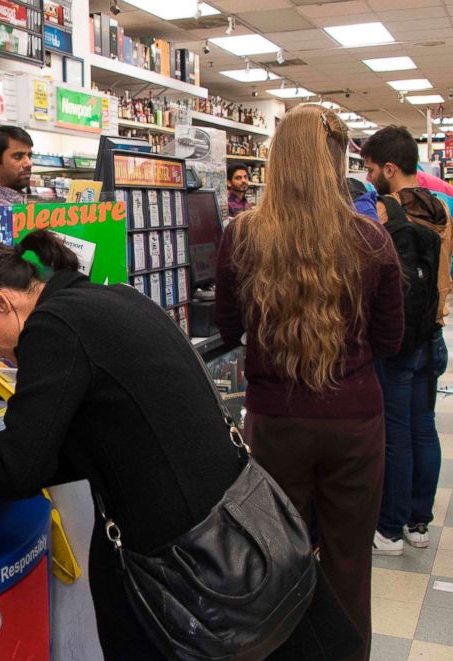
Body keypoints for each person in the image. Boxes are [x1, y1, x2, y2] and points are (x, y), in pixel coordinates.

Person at [0, 229, 362, 660]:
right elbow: (104, 438)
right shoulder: (110, 299)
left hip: (190, 566)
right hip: (239, 523)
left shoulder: (51, 328)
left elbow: (23, 468)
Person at [215, 106, 404, 661]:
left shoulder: (242, 236)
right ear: (336, 162)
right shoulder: (371, 240)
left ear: (278, 161)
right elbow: (390, 341)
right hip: (355, 422)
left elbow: (227, 327)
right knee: (349, 558)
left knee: (277, 555)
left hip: (275, 421)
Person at [362, 125, 451, 555]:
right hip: (432, 333)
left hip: (397, 340)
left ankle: (390, 529)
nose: (369, 175)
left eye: (371, 168)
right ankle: (419, 523)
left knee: (393, 433)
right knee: (423, 428)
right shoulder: (445, 208)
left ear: (390, 169)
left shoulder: (382, 211)